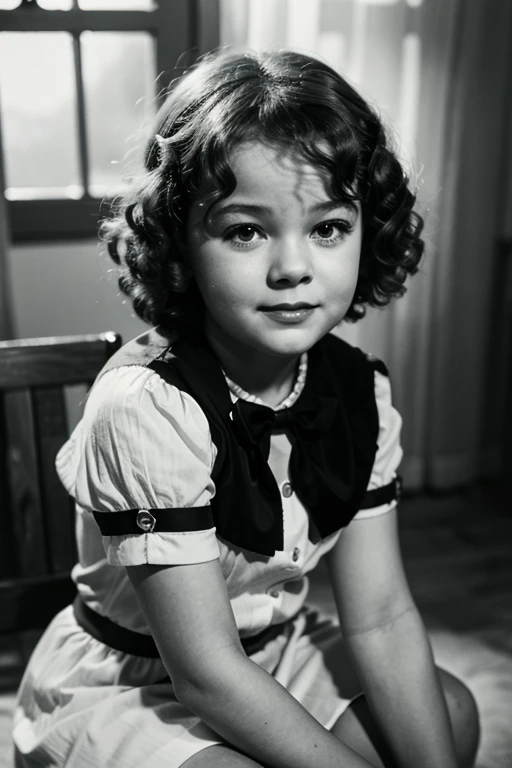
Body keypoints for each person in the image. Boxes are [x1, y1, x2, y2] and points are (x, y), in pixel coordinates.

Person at [13, 50, 479, 768]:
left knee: (447, 713)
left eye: (327, 228)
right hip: (138, 680)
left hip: (275, 652)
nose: (293, 268)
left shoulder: (360, 393)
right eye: (245, 231)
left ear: (366, 231)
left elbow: (382, 617)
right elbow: (206, 675)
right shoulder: (146, 410)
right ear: (181, 244)